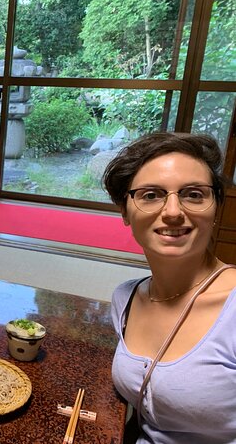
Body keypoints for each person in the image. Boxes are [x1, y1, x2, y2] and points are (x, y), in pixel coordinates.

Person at [102, 132, 236, 443]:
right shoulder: (126, 299)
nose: (173, 212)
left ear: (215, 207)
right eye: (151, 195)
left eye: (193, 194)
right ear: (124, 210)